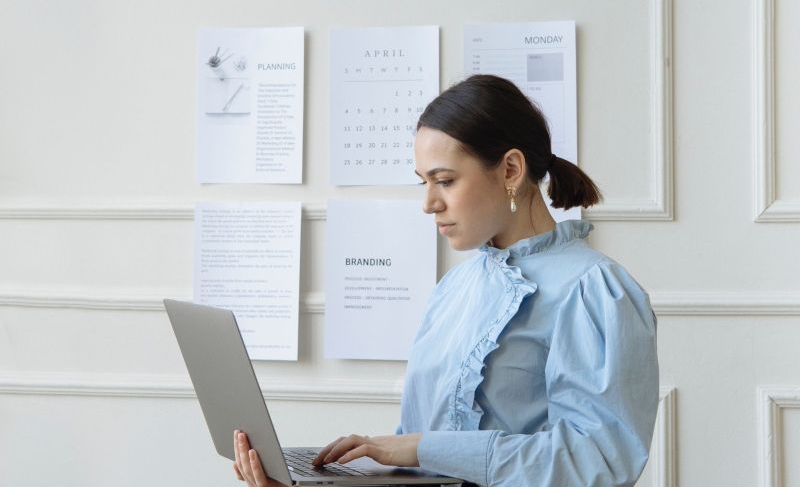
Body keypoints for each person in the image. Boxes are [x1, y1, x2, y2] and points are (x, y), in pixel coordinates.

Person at [233, 74, 659, 487]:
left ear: (511, 169)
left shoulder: (593, 289)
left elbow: (599, 464)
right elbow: (413, 466)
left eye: (445, 180)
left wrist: (427, 449)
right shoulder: (453, 289)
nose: (429, 203)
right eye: (424, 182)